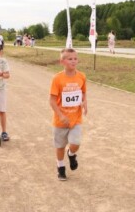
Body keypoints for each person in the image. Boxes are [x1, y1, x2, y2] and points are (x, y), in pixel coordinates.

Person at [49, 48, 88, 181]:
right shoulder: (57, 78)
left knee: (76, 142)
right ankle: (60, 167)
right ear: (62, 61)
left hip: (75, 118)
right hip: (61, 121)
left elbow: (83, 92)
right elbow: (52, 101)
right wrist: (60, 115)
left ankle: (71, 154)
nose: (73, 61)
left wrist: (84, 102)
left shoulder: (81, 76)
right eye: (70, 59)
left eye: (75, 58)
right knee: (59, 146)